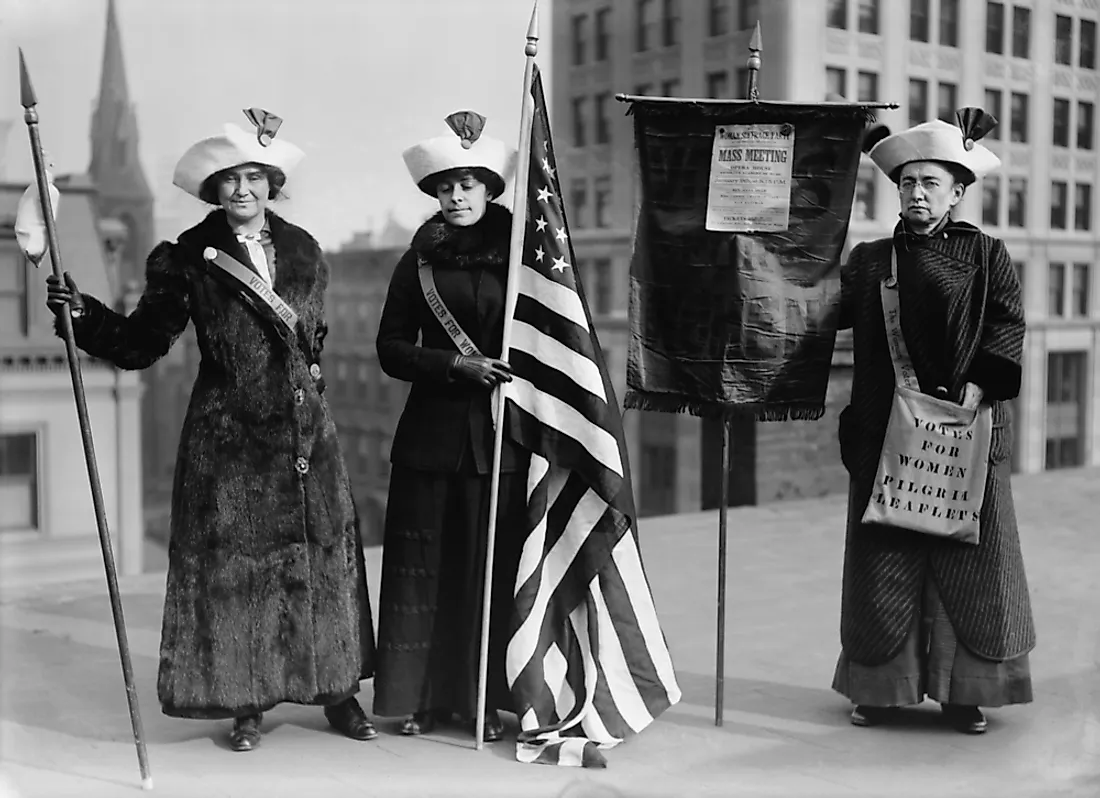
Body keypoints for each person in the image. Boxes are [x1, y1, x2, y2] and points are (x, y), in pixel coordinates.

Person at [40, 112, 378, 752]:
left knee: (324, 560)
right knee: (236, 570)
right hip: (229, 438)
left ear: (271, 181)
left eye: (254, 176)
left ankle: (338, 689)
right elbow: (143, 343)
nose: (243, 190)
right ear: (212, 188)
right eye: (230, 179)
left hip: (308, 435)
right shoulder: (185, 258)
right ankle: (243, 700)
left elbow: (312, 339)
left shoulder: (305, 249)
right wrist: (83, 315)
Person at [832, 110, 1034, 734]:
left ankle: (963, 692)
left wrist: (976, 390)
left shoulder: (986, 255)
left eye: (930, 183)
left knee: (968, 561)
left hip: (965, 430)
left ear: (958, 191)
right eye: (907, 183)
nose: (916, 194)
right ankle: (881, 688)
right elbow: (820, 314)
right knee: (885, 557)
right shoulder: (869, 262)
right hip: (884, 433)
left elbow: (1006, 326)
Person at [373, 110, 526, 741]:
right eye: (445, 186)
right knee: (423, 568)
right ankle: (417, 699)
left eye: (468, 184)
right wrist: (452, 364)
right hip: (430, 440)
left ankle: (485, 700)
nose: (456, 196)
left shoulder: (525, 260)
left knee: (487, 571)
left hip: (502, 439)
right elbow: (389, 348)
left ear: (490, 189)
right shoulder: (418, 263)